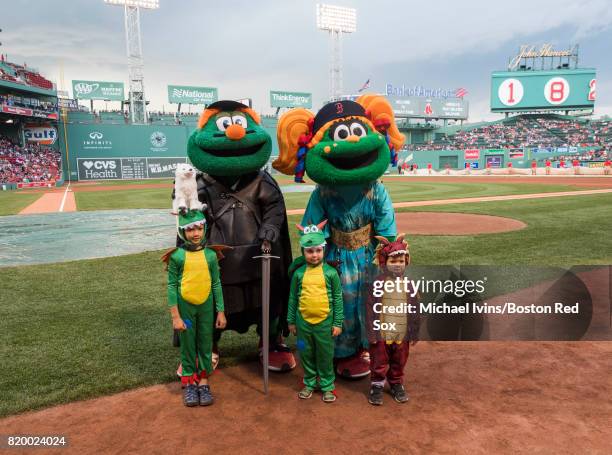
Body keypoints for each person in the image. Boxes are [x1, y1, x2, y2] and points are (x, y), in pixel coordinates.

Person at [164, 209, 226, 407]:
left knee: (205, 344)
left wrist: (221, 311)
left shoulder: (210, 255)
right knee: (188, 344)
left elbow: (216, 284)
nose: (196, 233)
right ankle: (190, 383)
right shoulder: (177, 257)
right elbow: (172, 286)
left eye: (199, 228)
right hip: (186, 310)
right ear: (182, 232)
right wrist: (175, 316)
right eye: (190, 230)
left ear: (205, 228)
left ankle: (204, 382)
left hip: (206, 309)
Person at [287, 221, 343, 403]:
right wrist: (291, 321)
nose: (314, 255)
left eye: (318, 250)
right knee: (305, 353)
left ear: (324, 250)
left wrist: (337, 323)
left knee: (325, 355)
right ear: (303, 251)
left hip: (324, 324)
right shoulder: (298, 274)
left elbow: (338, 299)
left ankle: (327, 385)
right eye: (310, 251)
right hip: (303, 325)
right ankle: (309, 382)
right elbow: (293, 298)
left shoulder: (331, 273)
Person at [366, 235, 419, 405]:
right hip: (382, 332)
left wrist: (414, 331)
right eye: (393, 261)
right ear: (384, 262)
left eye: (401, 261)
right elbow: (370, 309)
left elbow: (415, 310)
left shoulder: (410, 285)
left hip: (401, 333)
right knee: (379, 360)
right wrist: (371, 332)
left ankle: (396, 383)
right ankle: (377, 384)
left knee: (400, 359)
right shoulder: (377, 284)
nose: (397, 265)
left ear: (407, 262)